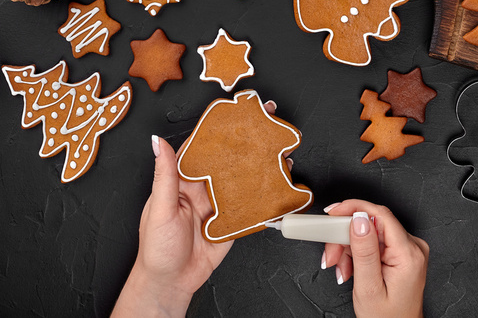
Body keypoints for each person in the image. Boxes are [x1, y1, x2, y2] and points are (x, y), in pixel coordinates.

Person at [112, 102, 429, 317]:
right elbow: (196, 161)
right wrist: (163, 282)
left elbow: (285, 136)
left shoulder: (257, 135)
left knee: (278, 190)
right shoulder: (215, 143)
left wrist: (161, 284)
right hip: (235, 210)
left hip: (274, 195)